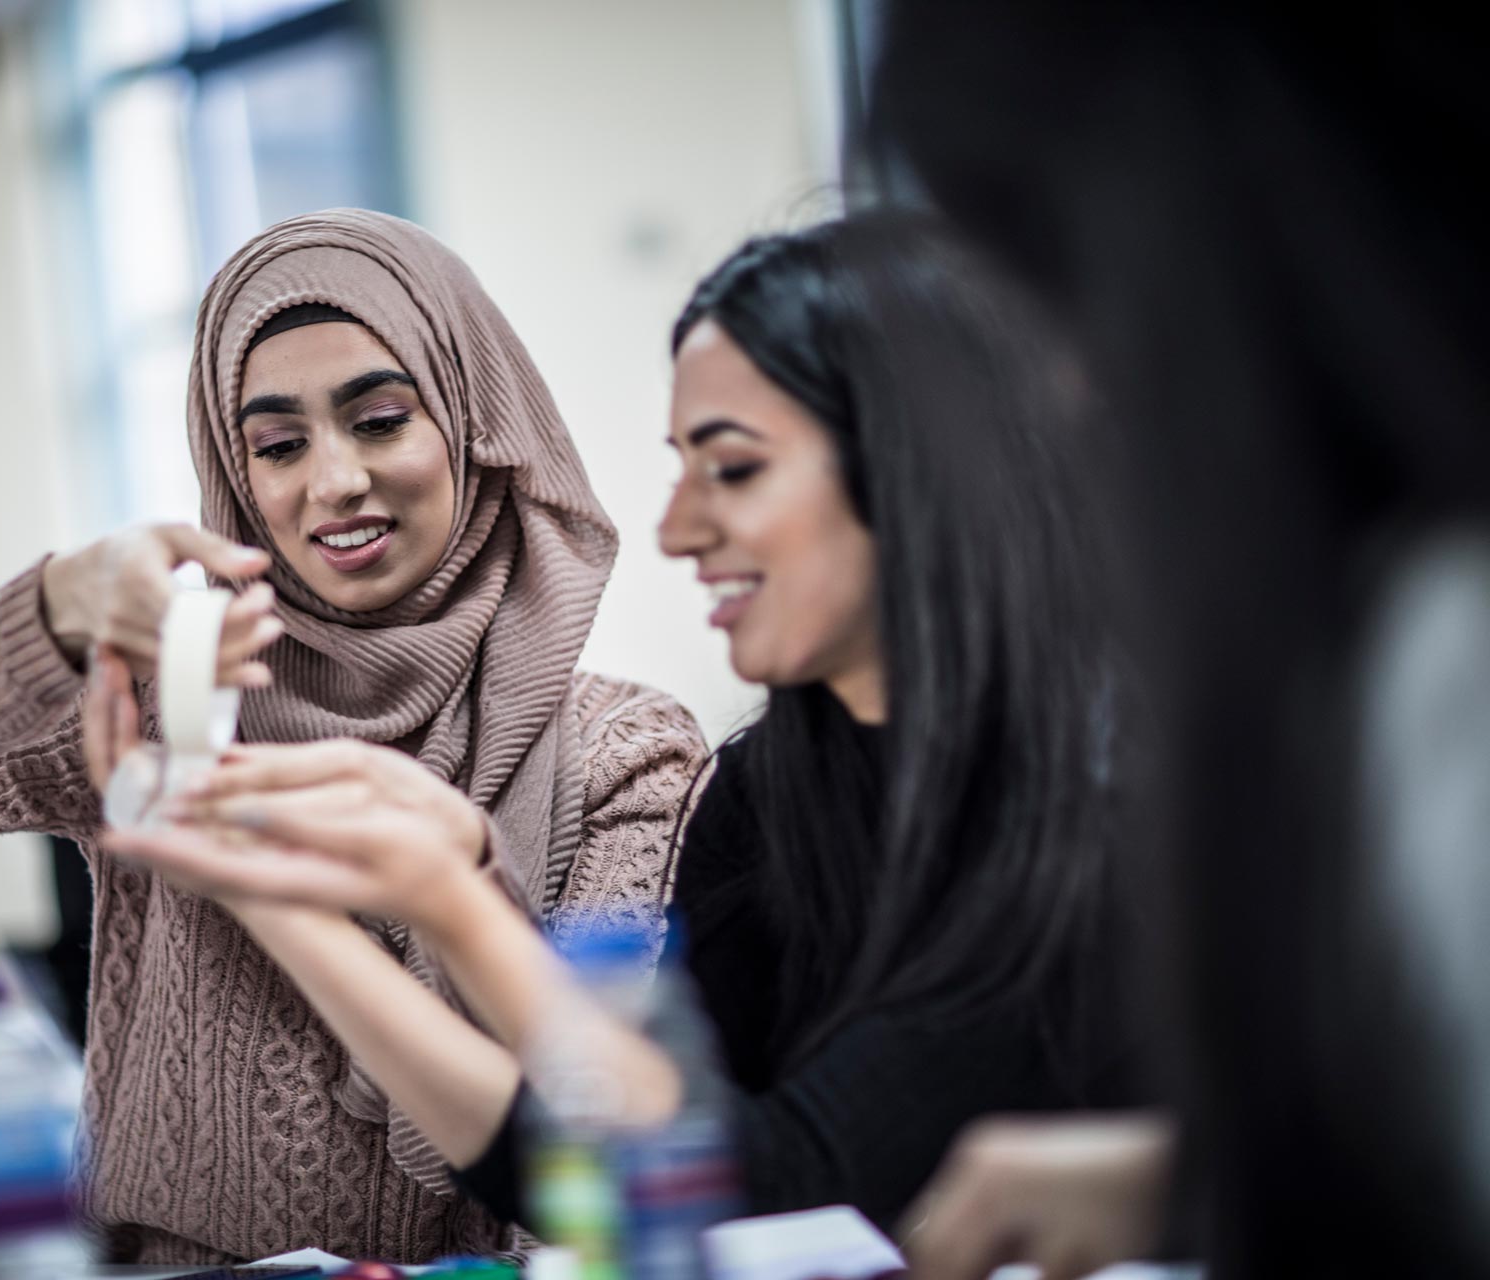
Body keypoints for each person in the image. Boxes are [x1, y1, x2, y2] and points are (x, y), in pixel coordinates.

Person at [105, 212, 1147, 1235]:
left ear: (914, 466)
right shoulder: (773, 789)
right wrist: (273, 891)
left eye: (733, 467)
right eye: (278, 444)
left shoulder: (1098, 800)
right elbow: (616, 1172)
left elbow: (777, 1177)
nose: (677, 528)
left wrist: (452, 908)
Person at [0, 209, 704, 1263]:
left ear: (472, 424)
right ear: (237, 474)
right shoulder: (171, 701)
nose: (333, 482)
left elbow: (595, 1152)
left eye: (379, 420)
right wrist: (52, 606)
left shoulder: (623, 750)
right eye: (277, 444)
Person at [873, 5, 1490, 1277]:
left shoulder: (1442, 657)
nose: (1065, 389)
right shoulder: (771, 777)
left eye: (1058, 290)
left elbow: (771, 1152)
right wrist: (1201, 1181)